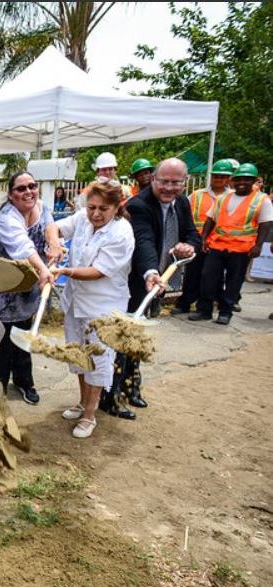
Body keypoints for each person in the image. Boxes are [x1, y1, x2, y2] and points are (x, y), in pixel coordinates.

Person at [100, 158, 200, 420]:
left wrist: (188, 247)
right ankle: (111, 396)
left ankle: (132, 387)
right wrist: (151, 272)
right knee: (123, 338)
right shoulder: (139, 205)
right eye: (164, 181)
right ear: (154, 179)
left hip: (160, 281)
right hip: (137, 281)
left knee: (139, 337)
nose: (169, 187)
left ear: (184, 181)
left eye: (175, 182)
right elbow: (143, 242)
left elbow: (192, 235)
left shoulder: (183, 202)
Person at [46, 181, 135, 438]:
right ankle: (83, 401)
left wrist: (64, 271)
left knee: (98, 359)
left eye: (103, 209)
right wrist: (54, 243)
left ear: (117, 207)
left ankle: (90, 415)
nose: (95, 214)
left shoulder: (121, 233)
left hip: (103, 305)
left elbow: (98, 271)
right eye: (91, 207)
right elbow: (54, 226)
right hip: (76, 302)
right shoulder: (84, 220)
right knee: (78, 354)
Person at [0, 171, 56, 405]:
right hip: (2, 289)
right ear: (11, 194)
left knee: (24, 337)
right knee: (2, 343)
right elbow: (22, 247)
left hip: (27, 289)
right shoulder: (4, 218)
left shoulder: (42, 208)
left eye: (32, 186)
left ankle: (25, 382)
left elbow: (51, 225)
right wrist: (43, 270)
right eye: (21, 188)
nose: (28, 192)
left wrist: (54, 242)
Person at [190, 163, 273, 325]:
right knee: (208, 278)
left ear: (254, 181)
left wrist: (258, 246)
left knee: (234, 282)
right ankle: (204, 310)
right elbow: (210, 219)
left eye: (247, 179)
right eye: (239, 179)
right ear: (233, 181)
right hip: (217, 245)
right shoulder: (223, 198)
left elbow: (265, 224)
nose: (242, 182)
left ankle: (225, 312)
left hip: (242, 248)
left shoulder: (261, 200)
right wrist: (204, 238)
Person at [174, 158, 234, 314]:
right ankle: (185, 303)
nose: (218, 179)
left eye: (222, 176)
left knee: (213, 276)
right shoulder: (197, 194)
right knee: (192, 273)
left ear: (228, 178)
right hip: (197, 240)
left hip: (218, 243)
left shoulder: (232, 197)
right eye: (216, 176)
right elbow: (185, 214)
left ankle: (211, 303)